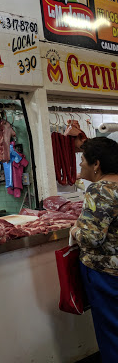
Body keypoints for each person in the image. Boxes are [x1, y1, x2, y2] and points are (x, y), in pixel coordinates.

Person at [70, 137, 118, 363]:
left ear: (96, 164)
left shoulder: (100, 190)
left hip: (106, 275)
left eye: (82, 160)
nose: (80, 165)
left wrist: (74, 230)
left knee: (112, 332)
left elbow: (91, 238)